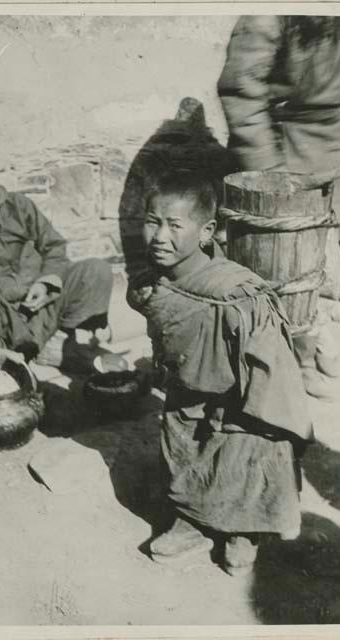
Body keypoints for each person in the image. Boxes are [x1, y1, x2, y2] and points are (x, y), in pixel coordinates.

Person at [127, 170, 313, 575]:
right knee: (182, 437)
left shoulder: (237, 296)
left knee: (250, 444)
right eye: (152, 222)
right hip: (187, 400)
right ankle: (193, 518)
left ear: (207, 231)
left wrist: (259, 416)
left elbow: (272, 377)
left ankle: (244, 528)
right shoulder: (156, 280)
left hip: (242, 407)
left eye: (175, 225)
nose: (160, 236)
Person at [218, 15, 340, 398]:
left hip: (327, 148)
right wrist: (271, 178)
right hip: (283, 153)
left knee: (326, 263)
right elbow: (241, 92)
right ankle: (293, 361)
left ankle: (314, 337)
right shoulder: (268, 15)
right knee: (285, 268)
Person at [0, 131, 113, 370]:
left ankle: (54, 344)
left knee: (95, 271)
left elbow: (54, 246)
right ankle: (5, 365)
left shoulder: (16, 204)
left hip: (41, 305)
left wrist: (47, 282)